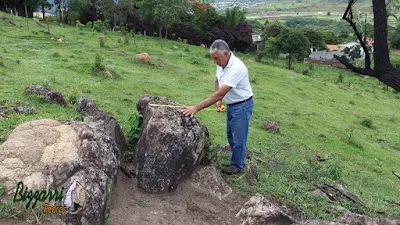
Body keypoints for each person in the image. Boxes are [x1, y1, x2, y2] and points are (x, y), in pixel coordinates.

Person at [181, 39, 254, 175]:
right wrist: (219, 101)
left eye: (217, 58)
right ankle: (236, 158)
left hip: (242, 105)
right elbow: (217, 81)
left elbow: (221, 91)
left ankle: (237, 166)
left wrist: (196, 107)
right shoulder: (221, 64)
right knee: (230, 135)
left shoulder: (237, 67)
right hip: (232, 105)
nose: (215, 62)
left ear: (226, 54)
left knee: (239, 138)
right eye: (213, 59)